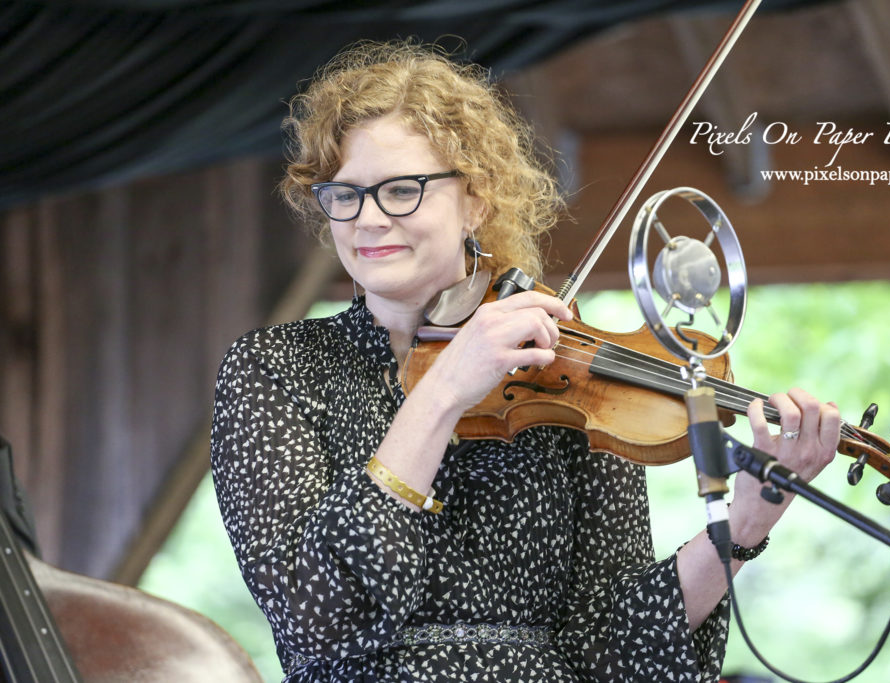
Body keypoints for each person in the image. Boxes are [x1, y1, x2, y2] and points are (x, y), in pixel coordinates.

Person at [210, 39, 840, 682]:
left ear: (475, 200)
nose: (368, 219)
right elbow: (317, 617)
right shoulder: (277, 369)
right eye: (345, 194)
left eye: (401, 190)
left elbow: (616, 651)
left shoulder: (555, 367)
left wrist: (746, 523)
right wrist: (445, 387)